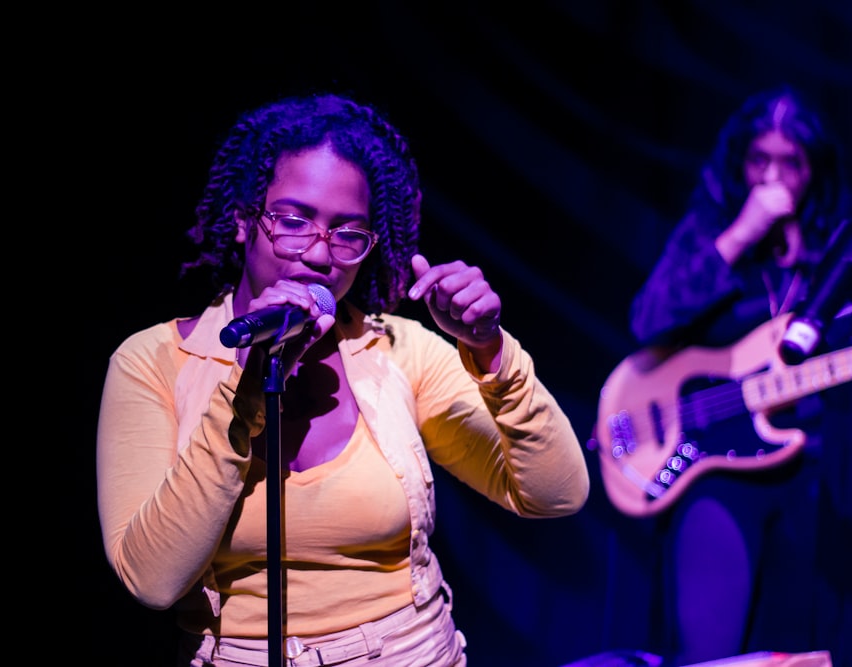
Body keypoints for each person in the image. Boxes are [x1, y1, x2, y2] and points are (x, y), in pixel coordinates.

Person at [96, 91, 591, 666]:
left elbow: (555, 495)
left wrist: (490, 352)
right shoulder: (152, 362)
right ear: (242, 221)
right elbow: (152, 581)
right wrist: (246, 387)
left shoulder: (396, 351)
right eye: (292, 220)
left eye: (348, 233)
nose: (318, 254)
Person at [627, 84, 852, 666]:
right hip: (718, 475)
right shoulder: (712, 230)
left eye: (790, 162)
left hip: (815, 473)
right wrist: (741, 234)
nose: (773, 175)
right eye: (760, 159)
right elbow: (648, 318)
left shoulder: (836, 252)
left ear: (814, 169)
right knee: (709, 652)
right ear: (740, 162)